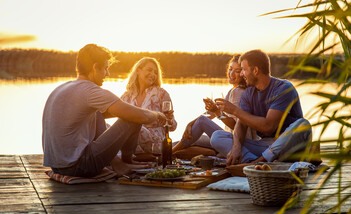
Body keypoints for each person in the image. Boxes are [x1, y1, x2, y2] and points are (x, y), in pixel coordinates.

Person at [42, 44, 166, 178]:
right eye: (106, 68)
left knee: (97, 113)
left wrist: (125, 110)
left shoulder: (62, 88)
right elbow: (140, 116)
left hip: (57, 166)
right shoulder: (91, 91)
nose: (107, 73)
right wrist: (157, 115)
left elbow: (108, 113)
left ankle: (119, 163)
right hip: (79, 166)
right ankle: (126, 162)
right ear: (95, 67)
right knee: (133, 117)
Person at [212, 49, 312, 167]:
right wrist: (236, 147)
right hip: (265, 146)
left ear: (255, 70)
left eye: (243, 69)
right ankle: (250, 162)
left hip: (289, 146)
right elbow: (241, 124)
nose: (242, 74)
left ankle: (259, 162)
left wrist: (234, 110)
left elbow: (268, 127)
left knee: (303, 124)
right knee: (217, 136)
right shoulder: (249, 92)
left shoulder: (284, 89)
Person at [172, 55, 256, 153]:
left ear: (243, 73)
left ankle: (169, 154)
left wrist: (216, 112)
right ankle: (173, 151)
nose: (231, 74)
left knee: (201, 122)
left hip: (238, 143)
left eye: (237, 71)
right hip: (229, 138)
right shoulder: (235, 90)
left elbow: (236, 126)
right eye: (230, 69)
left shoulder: (237, 92)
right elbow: (211, 114)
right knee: (185, 141)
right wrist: (190, 124)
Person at [121, 57, 177, 154]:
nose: (153, 75)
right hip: (131, 141)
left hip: (155, 144)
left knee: (137, 129)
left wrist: (170, 120)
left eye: (155, 72)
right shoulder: (126, 97)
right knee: (106, 127)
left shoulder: (161, 94)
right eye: (149, 70)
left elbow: (172, 127)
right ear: (138, 71)